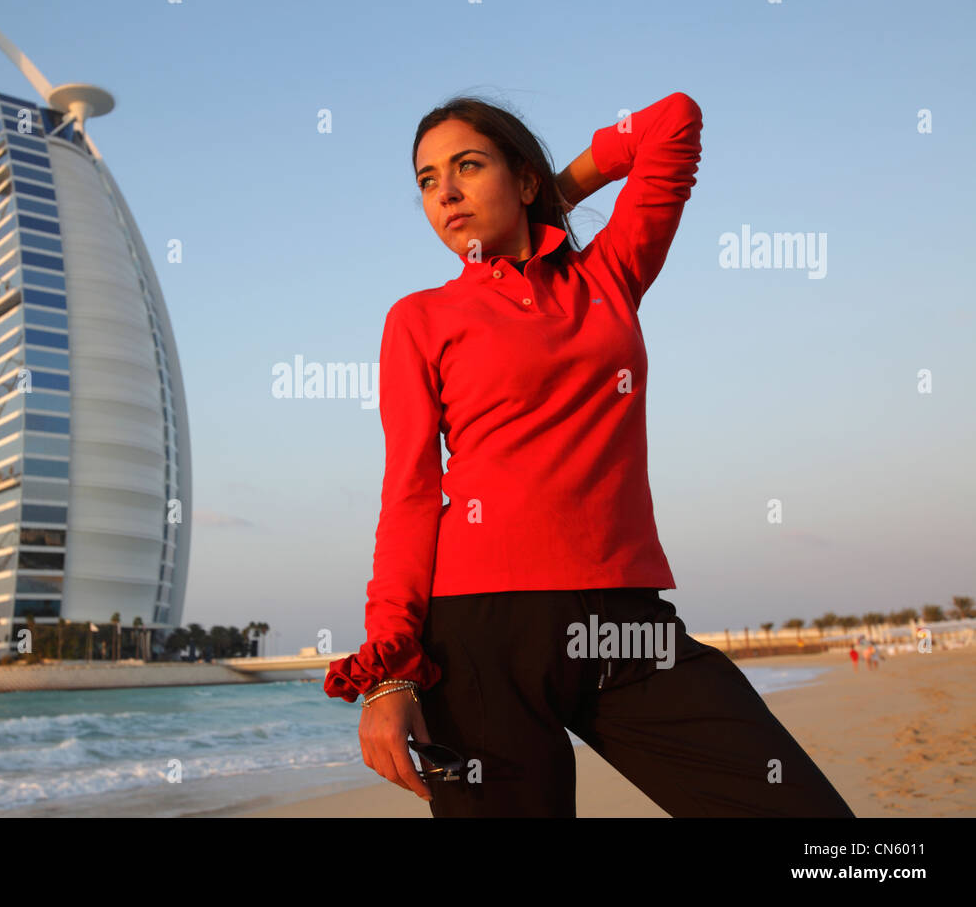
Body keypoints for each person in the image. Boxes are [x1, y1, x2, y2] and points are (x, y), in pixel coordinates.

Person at [324, 92, 853, 818]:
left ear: (525, 178)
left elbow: (673, 122)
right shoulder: (420, 319)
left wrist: (559, 194)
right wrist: (387, 674)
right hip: (480, 643)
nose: (444, 192)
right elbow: (410, 492)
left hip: (628, 626)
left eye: (468, 167)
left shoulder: (607, 278)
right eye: (426, 180)